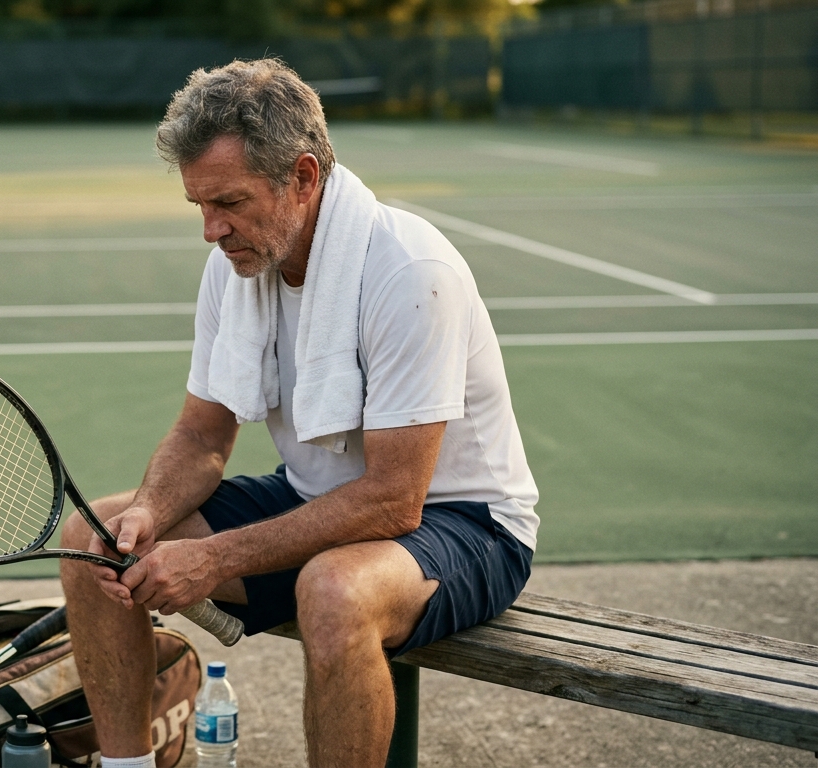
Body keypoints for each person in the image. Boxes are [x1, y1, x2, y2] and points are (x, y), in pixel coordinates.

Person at [58, 58, 539, 767]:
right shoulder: (236, 265)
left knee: (334, 591)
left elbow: (395, 500)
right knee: (90, 538)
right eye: (199, 206)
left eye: (229, 202)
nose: (211, 231)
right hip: (322, 499)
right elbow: (201, 432)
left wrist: (212, 557)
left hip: (467, 523)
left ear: (304, 177)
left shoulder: (408, 271)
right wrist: (152, 513)